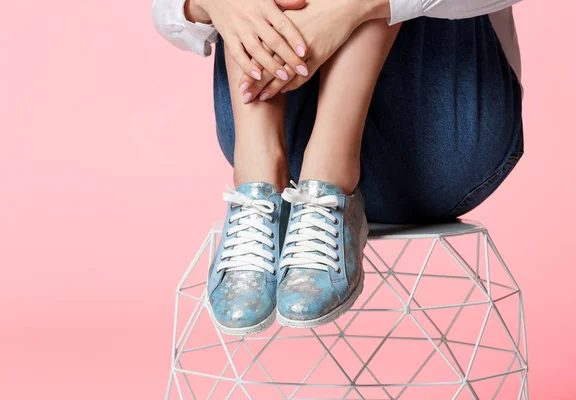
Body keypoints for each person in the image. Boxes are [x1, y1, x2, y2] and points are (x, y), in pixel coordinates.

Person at [152, 0, 524, 335]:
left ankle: (330, 175)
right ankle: (258, 179)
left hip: (441, 133)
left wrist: (351, 8)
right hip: (285, 138)